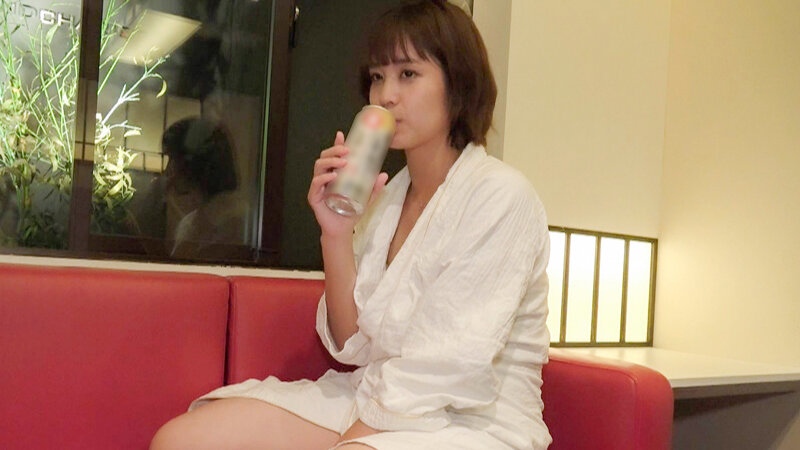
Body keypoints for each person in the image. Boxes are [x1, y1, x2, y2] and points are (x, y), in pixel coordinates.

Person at [150, 1, 551, 449]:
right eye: (377, 77)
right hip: (373, 394)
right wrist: (336, 232)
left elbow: (449, 366)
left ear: (458, 84)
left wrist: (350, 439)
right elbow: (350, 342)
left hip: (472, 421)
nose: (385, 96)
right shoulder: (387, 196)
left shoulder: (501, 196)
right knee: (183, 440)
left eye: (408, 74)